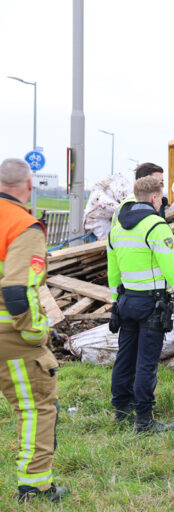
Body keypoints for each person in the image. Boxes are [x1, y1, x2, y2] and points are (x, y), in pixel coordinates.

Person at [0, 158, 68, 502]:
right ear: (29, 186)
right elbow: (16, 289)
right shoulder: (23, 225)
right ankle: (35, 486)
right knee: (37, 406)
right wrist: (33, 334)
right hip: (9, 337)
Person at [107, 175, 174, 432]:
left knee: (124, 358)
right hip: (152, 305)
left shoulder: (117, 228)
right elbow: (173, 270)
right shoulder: (157, 227)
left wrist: (116, 300)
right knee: (146, 361)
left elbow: (113, 271)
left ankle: (121, 410)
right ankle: (144, 420)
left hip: (126, 301)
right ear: (155, 198)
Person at [111, 162, 167, 227]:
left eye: (162, 182)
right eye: (157, 182)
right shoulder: (134, 204)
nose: (162, 186)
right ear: (145, 182)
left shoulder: (147, 202)